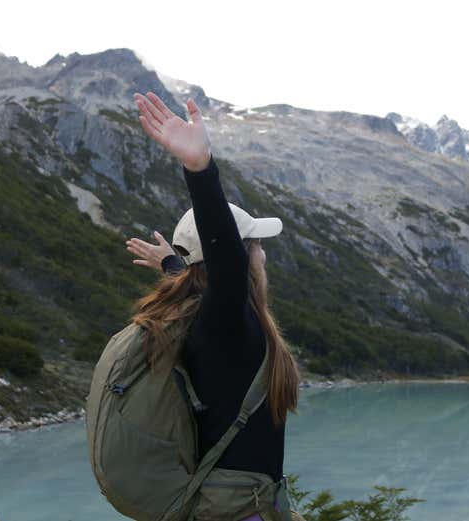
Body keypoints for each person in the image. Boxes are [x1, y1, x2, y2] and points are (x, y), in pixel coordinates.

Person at [126, 91, 301, 521]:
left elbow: (199, 282)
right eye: (256, 246)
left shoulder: (200, 317)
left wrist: (173, 263)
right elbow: (223, 269)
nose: (262, 256)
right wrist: (200, 169)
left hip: (236, 503)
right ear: (239, 257)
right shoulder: (227, 319)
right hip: (241, 512)